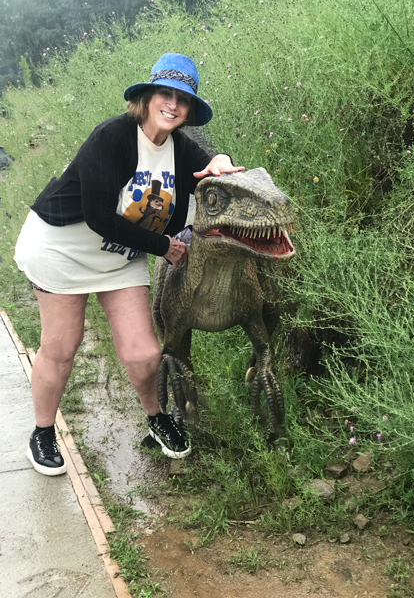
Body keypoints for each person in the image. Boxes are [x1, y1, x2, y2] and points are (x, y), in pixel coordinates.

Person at [14, 52, 245, 476]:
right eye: (165, 94)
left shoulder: (181, 149)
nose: (173, 105)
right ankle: (43, 432)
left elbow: (212, 163)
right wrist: (164, 246)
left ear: (189, 110)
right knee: (62, 349)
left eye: (183, 100)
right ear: (147, 97)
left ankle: (156, 419)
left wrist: (221, 163)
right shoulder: (113, 137)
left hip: (120, 257)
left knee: (144, 354)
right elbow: (101, 217)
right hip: (61, 248)